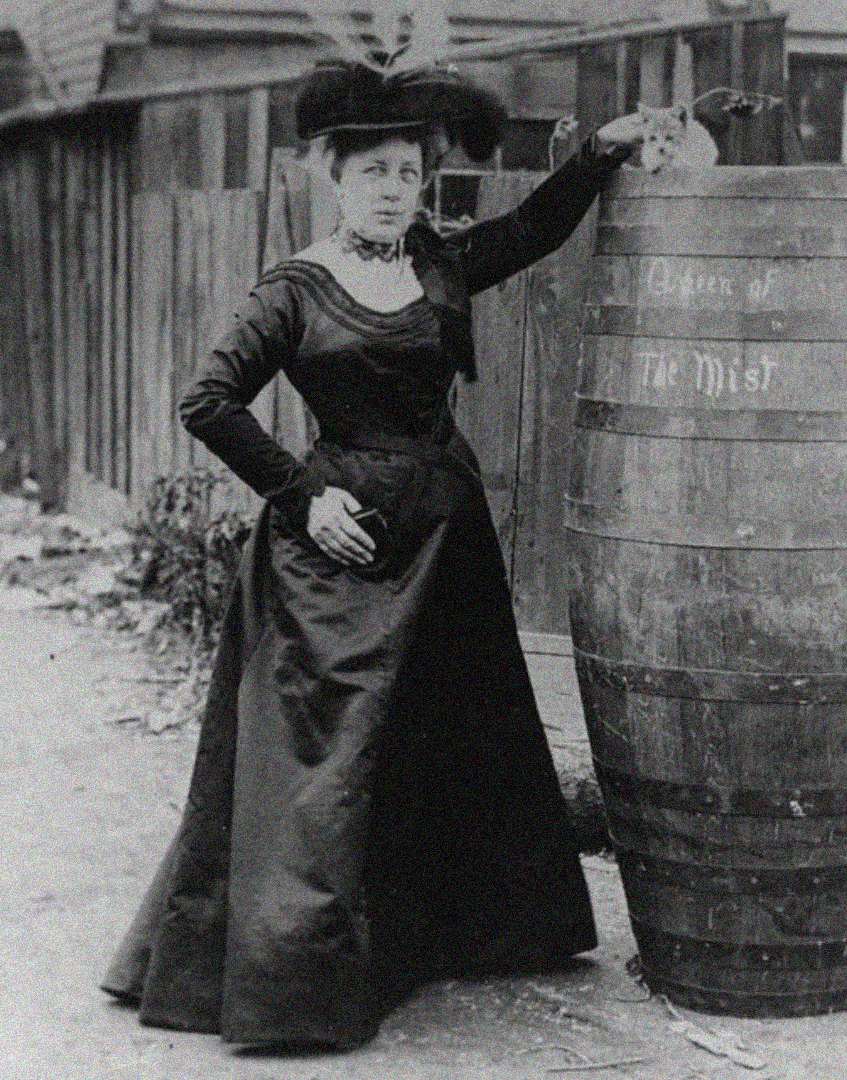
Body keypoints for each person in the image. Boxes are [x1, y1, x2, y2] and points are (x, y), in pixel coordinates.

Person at [98, 56, 644, 1050]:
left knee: (447, 738)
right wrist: (303, 499)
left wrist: (599, 155)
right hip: (338, 552)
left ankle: (442, 936)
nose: (396, 191)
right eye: (375, 174)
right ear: (331, 176)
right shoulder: (295, 291)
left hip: (444, 540)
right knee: (328, 766)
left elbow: (527, 232)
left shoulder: (433, 264)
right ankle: (294, 980)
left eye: (409, 173)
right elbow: (207, 401)